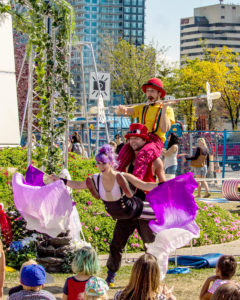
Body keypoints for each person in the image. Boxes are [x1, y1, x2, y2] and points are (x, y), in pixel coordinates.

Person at [50, 138, 166, 287]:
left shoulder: (122, 176)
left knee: (150, 246)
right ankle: (110, 277)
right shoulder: (95, 179)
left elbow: (144, 184)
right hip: (124, 216)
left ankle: (154, 278)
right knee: (116, 245)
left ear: (111, 162)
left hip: (138, 210)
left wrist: (164, 185)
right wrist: (59, 180)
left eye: (104, 163)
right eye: (98, 163)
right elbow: (78, 185)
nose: (100, 166)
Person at [116, 78, 175, 180]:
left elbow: (165, 129)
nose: (149, 93)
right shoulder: (143, 107)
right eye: (147, 91)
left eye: (152, 91)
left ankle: (136, 183)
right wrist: (121, 109)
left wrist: (164, 109)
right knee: (124, 151)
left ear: (159, 93)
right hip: (142, 138)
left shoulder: (168, 109)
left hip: (155, 141)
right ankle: (116, 178)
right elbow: (128, 111)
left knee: (144, 153)